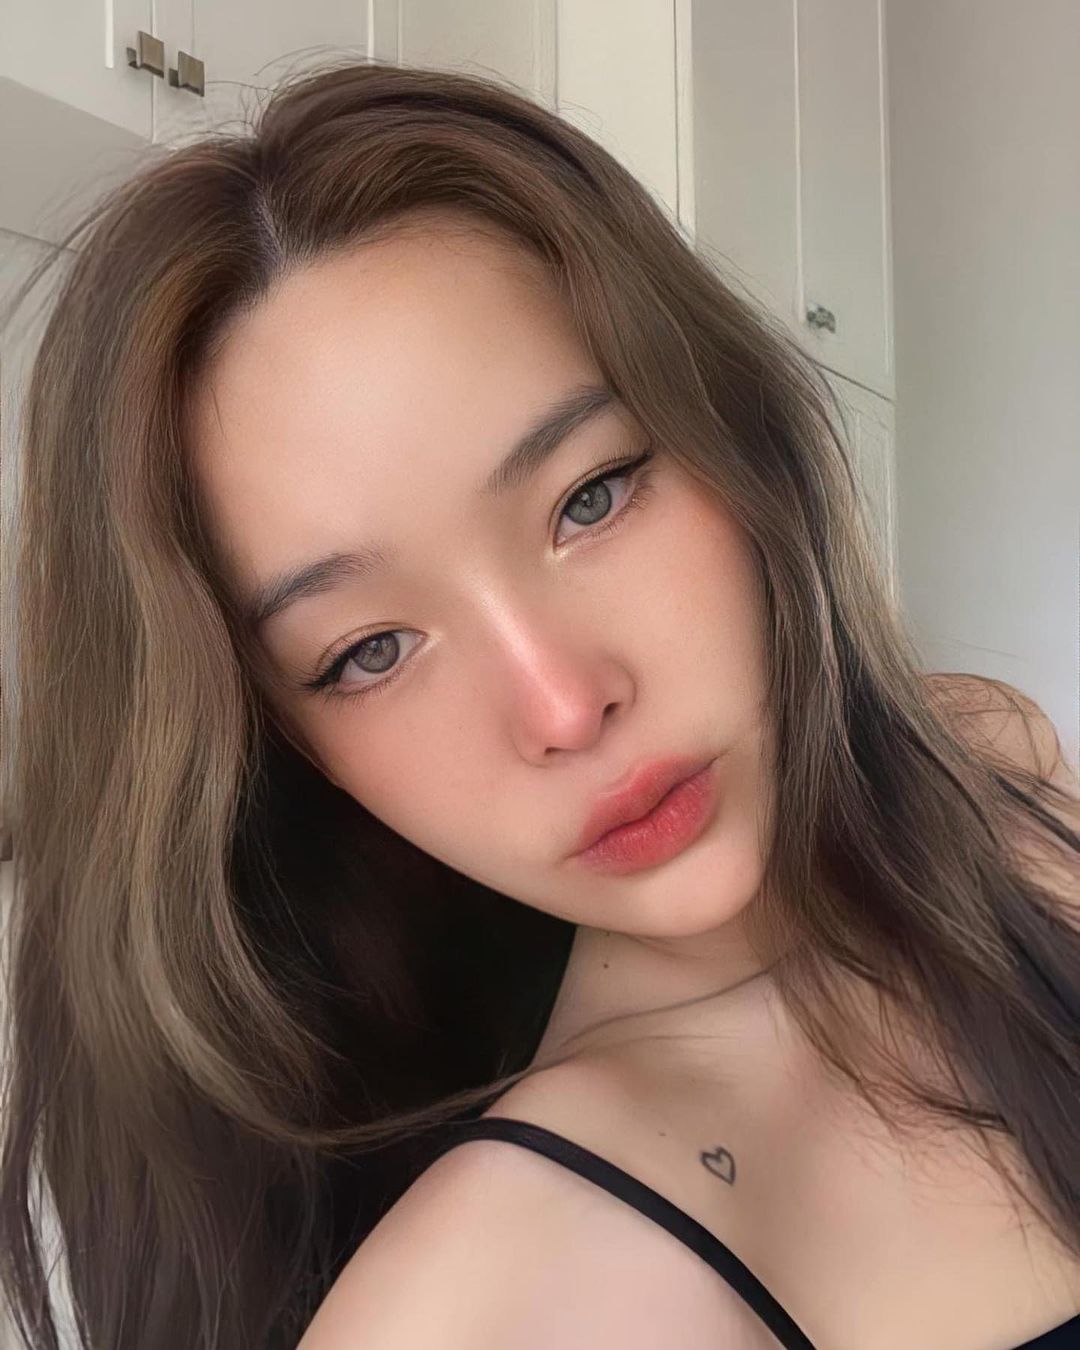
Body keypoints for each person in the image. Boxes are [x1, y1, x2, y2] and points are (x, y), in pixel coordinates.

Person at [1, 59, 1078, 1350]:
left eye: (591, 498)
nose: (564, 706)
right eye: (370, 651)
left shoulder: (992, 770)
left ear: (736, 437)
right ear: (293, 750)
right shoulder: (491, 1296)